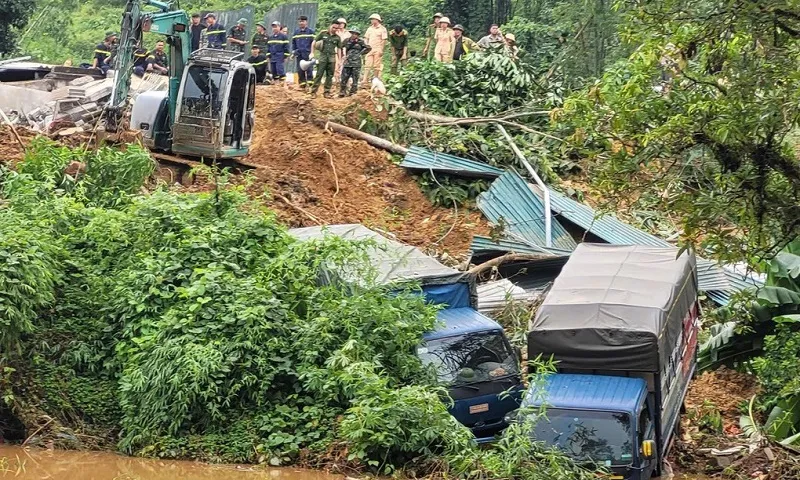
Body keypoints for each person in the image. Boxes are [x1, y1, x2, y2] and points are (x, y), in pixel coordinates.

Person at [311, 21, 342, 98]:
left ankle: (326, 92)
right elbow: (314, 42)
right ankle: (313, 92)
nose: (334, 29)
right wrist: (312, 52)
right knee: (319, 74)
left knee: (330, 75)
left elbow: (339, 49)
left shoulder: (337, 37)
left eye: (336, 28)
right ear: (330, 26)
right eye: (333, 27)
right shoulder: (323, 34)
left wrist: (340, 60)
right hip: (323, 57)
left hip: (332, 58)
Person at [340, 27, 371, 97]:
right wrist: (343, 55)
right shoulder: (346, 40)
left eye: (356, 34)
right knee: (344, 78)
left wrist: (360, 53)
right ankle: (342, 92)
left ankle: (352, 92)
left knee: (355, 79)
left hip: (356, 63)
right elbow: (340, 47)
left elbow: (368, 48)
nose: (354, 35)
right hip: (347, 62)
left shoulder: (360, 41)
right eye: (353, 33)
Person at [362, 14, 388, 86]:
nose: (372, 20)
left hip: (378, 48)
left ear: (377, 20)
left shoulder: (382, 29)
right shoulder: (369, 28)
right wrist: (366, 46)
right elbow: (366, 38)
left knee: (377, 65)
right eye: (371, 19)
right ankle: (364, 80)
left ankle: (375, 79)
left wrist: (381, 49)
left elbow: (384, 40)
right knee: (367, 64)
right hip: (369, 48)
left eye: (373, 19)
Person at [292, 16, 315, 90]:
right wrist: (294, 52)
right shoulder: (296, 32)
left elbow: (314, 43)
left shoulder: (311, 32)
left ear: (306, 22)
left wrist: (312, 52)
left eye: (303, 21)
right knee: (300, 70)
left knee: (309, 69)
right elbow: (293, 44)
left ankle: (310, 84)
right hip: (299, 54)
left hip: (308, 53)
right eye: (300, 21)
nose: (301, 23)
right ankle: (302, 85)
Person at [334, 18, 350, 83]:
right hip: (336, 50)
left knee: (343, 65)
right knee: (336, 64)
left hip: (344, 50)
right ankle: (336, 79)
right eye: (339, 23)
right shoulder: (335, 32)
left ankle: (342, 79)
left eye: (342, 23)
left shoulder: (348, 33)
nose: (341, 25)